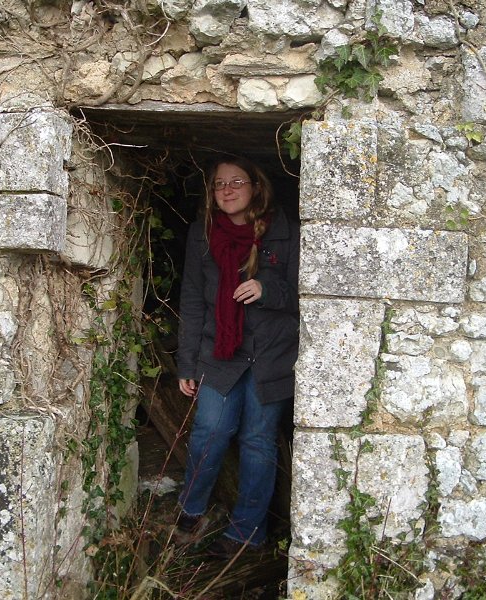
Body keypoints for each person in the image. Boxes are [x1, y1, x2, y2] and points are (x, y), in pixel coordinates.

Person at [175, 155, 300, 558]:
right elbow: (193, 299)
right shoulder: (203, 233)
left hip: (271, 354)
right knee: (209, 432)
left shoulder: (285, 231)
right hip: (220, 352)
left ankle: (247, 534)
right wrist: (187, 363)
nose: (227, 191)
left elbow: (307, 293)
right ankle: (190, 511)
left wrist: (268, 290)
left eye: (237, 182)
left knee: (258, 442)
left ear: (256, 187)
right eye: (219, 184)